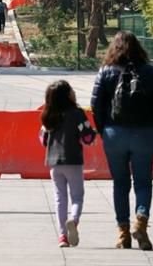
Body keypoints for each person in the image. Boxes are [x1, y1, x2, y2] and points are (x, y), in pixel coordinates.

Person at [91, 31, 153, 251]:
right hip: (144, 133)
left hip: (114, 133)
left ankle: (123, 234)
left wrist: (102, 130)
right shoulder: (152, 73)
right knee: (143, 182)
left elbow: (96, 104)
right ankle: (141, 221)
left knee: (120, 183)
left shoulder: (105, 72)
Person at [40, 80, 97, 248]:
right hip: (73, 160)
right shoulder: (77, 113)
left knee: (60, 198)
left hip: (54, 162)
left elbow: (43, 139)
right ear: (68, 95)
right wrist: (92, 134)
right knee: (77, 197)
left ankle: (62, 236)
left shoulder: (48, 114)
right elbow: (87, 136)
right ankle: (74, 220)